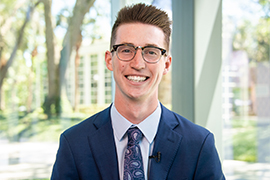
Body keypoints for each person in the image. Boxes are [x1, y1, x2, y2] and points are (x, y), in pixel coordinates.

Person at [51, 3, 225, 180]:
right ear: (109, 60)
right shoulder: (73, 144)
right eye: (126, 50)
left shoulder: (199, 145)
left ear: (166, 64)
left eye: (151, 52)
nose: (138, 64)